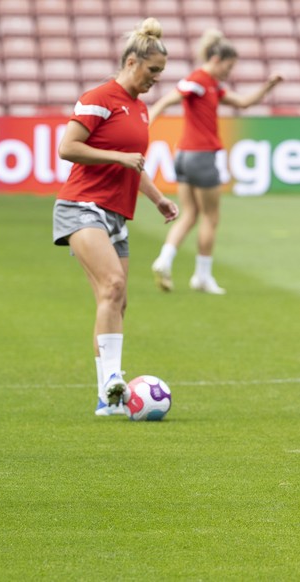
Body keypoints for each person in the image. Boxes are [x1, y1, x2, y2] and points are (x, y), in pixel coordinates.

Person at [52, 18, 179, 417]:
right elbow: (67, 148)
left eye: (160, 73)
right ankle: (112, 380)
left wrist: (158, 199)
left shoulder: (140, 109)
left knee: (116, 300)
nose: (155, 80)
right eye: (152, 71)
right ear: (131, 61)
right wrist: (117, 157)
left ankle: (106, 400)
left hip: (116, 214)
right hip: (80, 207)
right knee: (113, 283)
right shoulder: (99, 97)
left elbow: (133, 166)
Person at [149, 30, 283, 295]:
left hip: (184, 156)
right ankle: (202, 276)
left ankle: (164, 260)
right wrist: (150, 117)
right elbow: (171, 97)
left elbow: (243, 103)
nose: (229, 73)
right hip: (201, 156)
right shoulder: (199, 80)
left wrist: (268, 86)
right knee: (211, 217)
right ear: (217, 58)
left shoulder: (214, 85)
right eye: (229, 66)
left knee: (189, 214)